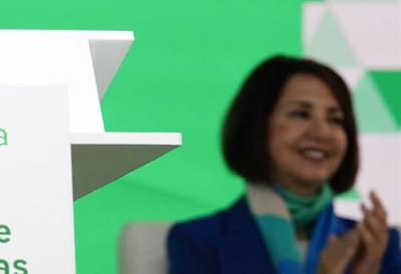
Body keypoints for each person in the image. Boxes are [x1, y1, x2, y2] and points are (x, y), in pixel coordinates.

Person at [168, 56, 400, 273]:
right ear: (255, 126)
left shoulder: (377, 245)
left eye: (335, 120)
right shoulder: (199, 241)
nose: (322, 133)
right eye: (300, 114)